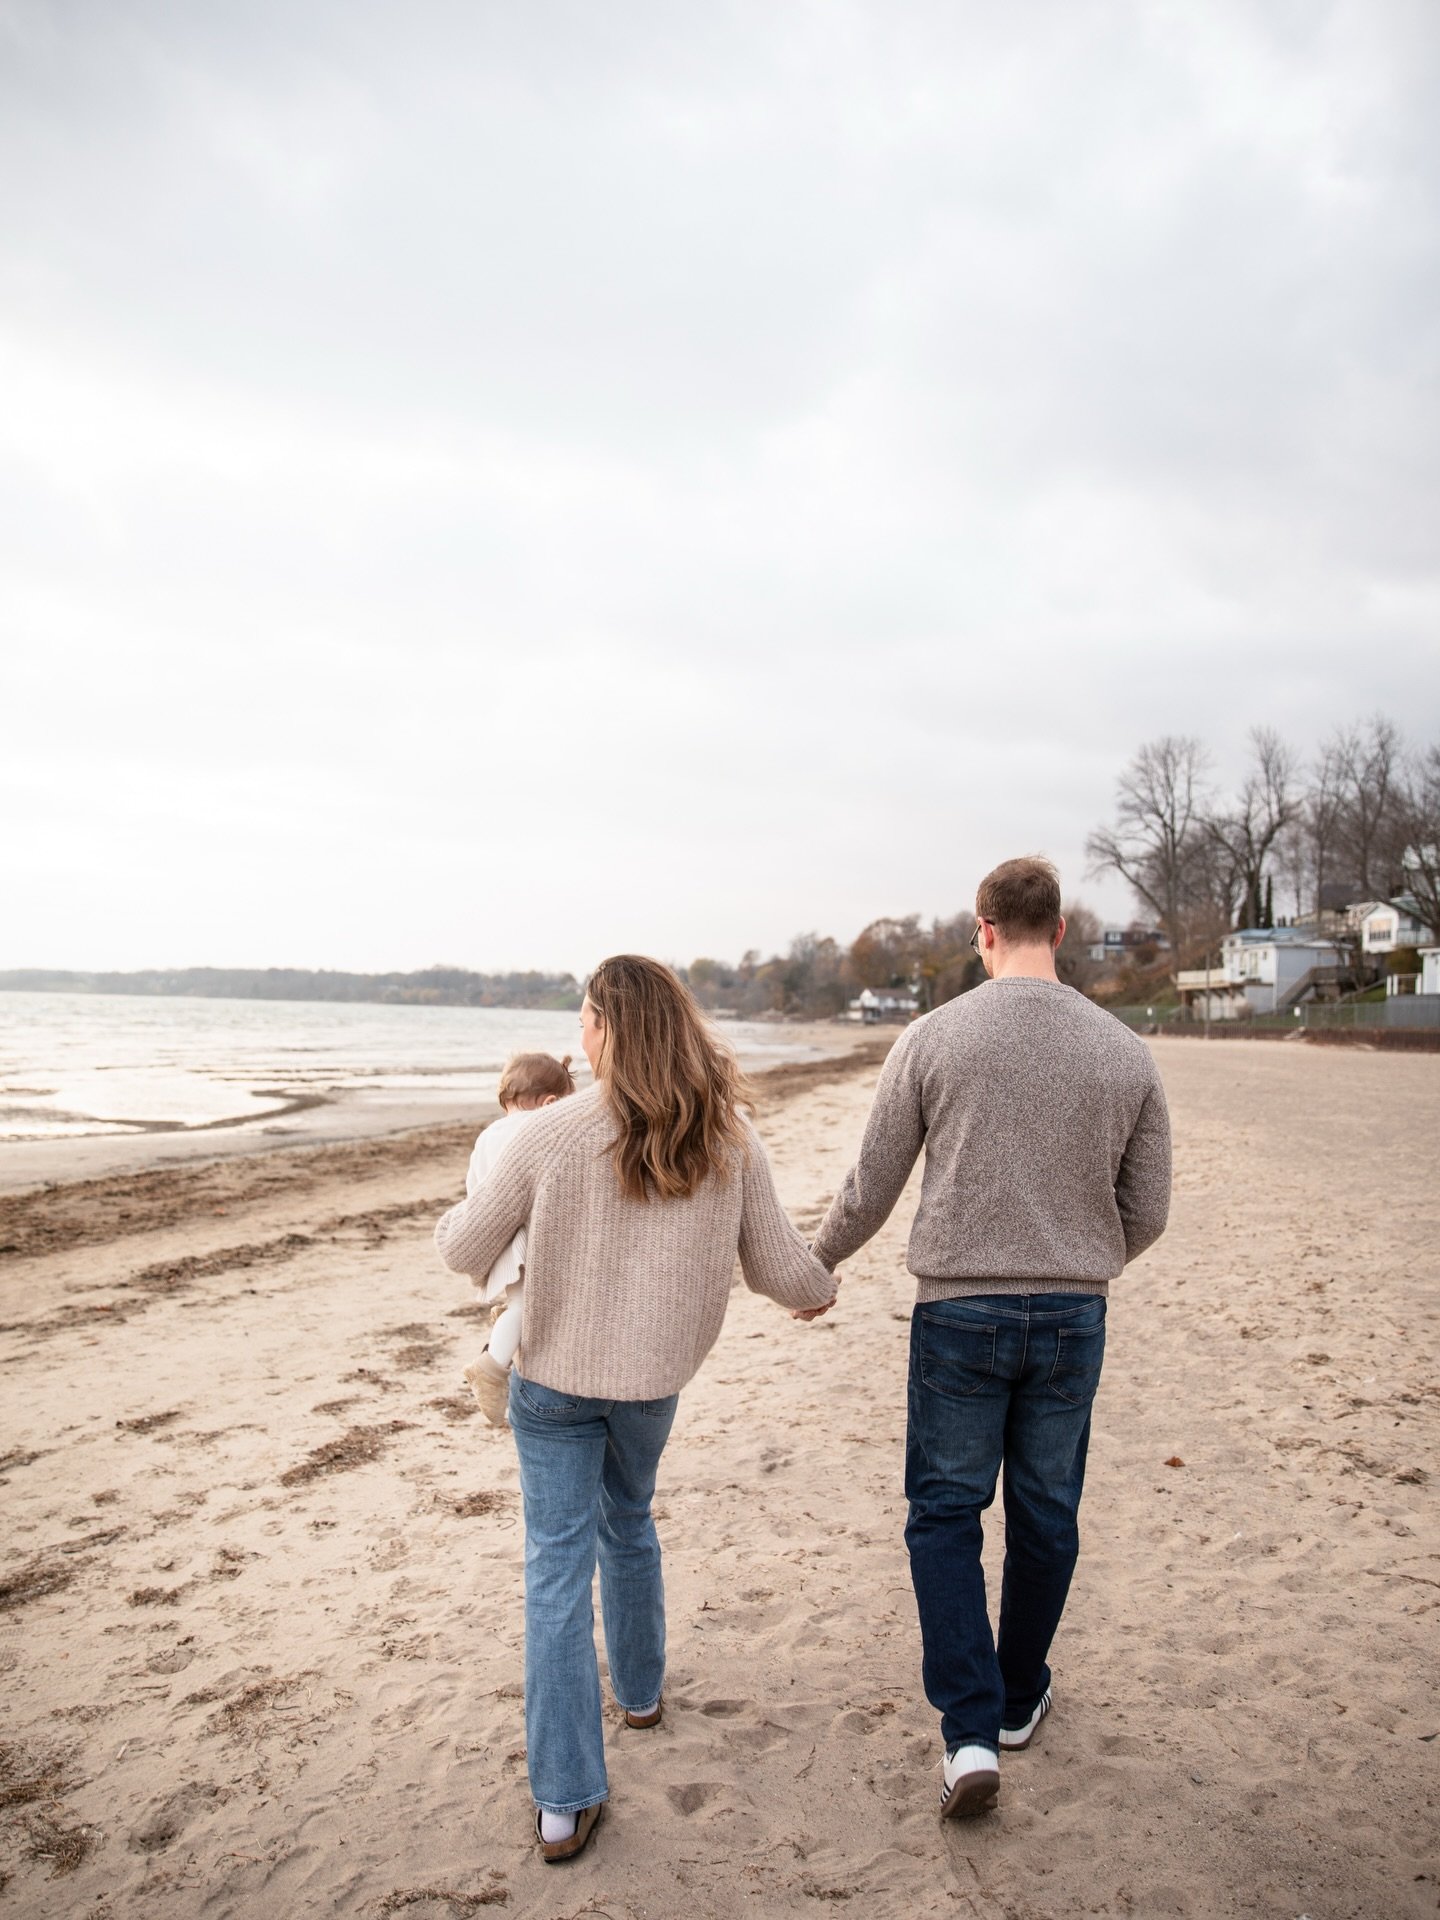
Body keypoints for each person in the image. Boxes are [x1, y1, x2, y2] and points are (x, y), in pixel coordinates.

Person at [433, 955, 836, 1864]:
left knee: (554, 1568)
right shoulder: (727, 1136)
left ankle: (565, 1802)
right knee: (631, 1522)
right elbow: (780, 1266)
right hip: (653, 1383)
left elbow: (465, 1249)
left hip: (555, 1384)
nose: (577, 1033)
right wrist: (821, 1289)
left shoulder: (547, 1134)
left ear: (611, 1029)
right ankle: (643, 1695)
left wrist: (471, 1210)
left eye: (584, 1018)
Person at [804, 856, 1171, 1820]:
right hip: (1071, 1313)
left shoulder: (932, 1038)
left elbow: (871, 1187)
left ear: (982, 929)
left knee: (945, 1514)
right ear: (1059, 930)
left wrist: (816, 1265)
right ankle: (1017, 1696)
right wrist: (1083, 1257)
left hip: (957, 1311)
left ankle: (969, 1733)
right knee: (1046, 1513)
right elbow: (1153, 1207)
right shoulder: (1124, 1050)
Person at [460, 1051, 577, 1427]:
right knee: (527, 1307)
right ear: (551, 1103)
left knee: (524, 1305)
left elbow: (474, 1191)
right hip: (529, 1241)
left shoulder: (488, 1135)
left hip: (500, 1239)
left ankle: (505, 1327)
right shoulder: (541, 1130)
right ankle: (491, 1369)